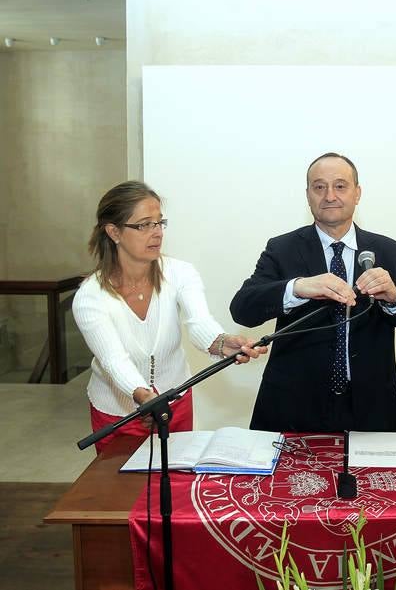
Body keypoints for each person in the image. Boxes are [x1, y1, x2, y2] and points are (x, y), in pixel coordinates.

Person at [230, 152, 396, 432]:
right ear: (308, 194)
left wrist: (395, 296)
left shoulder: (388, 251)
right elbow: (242, 309)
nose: (329, 196)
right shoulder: (283, 248)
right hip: (293, 405)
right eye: (319, 187)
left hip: (371, 405)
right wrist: (297, 288)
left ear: (357, 193)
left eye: (340, 186)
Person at [74, 181, 266, 452]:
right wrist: (143, 396)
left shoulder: (180, 273)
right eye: (143, 225)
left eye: (159, 223)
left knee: (175, 486)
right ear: (114, 232)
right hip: (119, 413)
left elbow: (199, 322)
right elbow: (113, 360)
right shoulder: (90, 296)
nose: (156, 233)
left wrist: (221, 343)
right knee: (123, 493)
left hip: (174, 405)